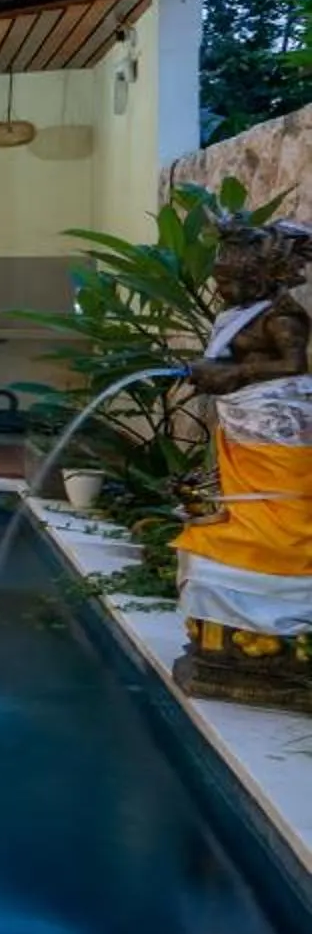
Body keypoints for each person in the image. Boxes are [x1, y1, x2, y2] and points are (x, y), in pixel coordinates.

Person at [174, 218, 312, 702]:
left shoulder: (281, 316)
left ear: (259, 278)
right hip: (248, 430)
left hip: (279, 434)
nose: (222, 290)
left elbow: (294, 367)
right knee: (240, 510)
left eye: (231, 282)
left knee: (280, 513)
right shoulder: (243, 313)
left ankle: (276, 628)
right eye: (220, 281)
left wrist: (233, 374)